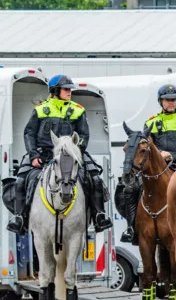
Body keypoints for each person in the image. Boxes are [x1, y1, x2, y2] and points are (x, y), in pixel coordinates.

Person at [7, 75, 111, 236]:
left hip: (72, 155)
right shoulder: (41, 109)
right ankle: (19, 217)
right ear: (55, 91)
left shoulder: (78, 109)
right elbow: (29, 133)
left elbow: (83, 135)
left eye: (70, 89)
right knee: (21, 181)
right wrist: (33, 155)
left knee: (95, 179)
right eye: (66, 89)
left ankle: (99, 215)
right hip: (43, 154)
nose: (69, 92)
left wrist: (77, 154)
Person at [118, 84, 176, 244]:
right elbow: (146, 147)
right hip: (157, 168)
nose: (171, 102)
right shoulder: (152, 122)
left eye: (174, 100)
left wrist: (172, 155)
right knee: (130, 189)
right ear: (160, 102)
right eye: (167, 100)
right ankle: (132, 228)